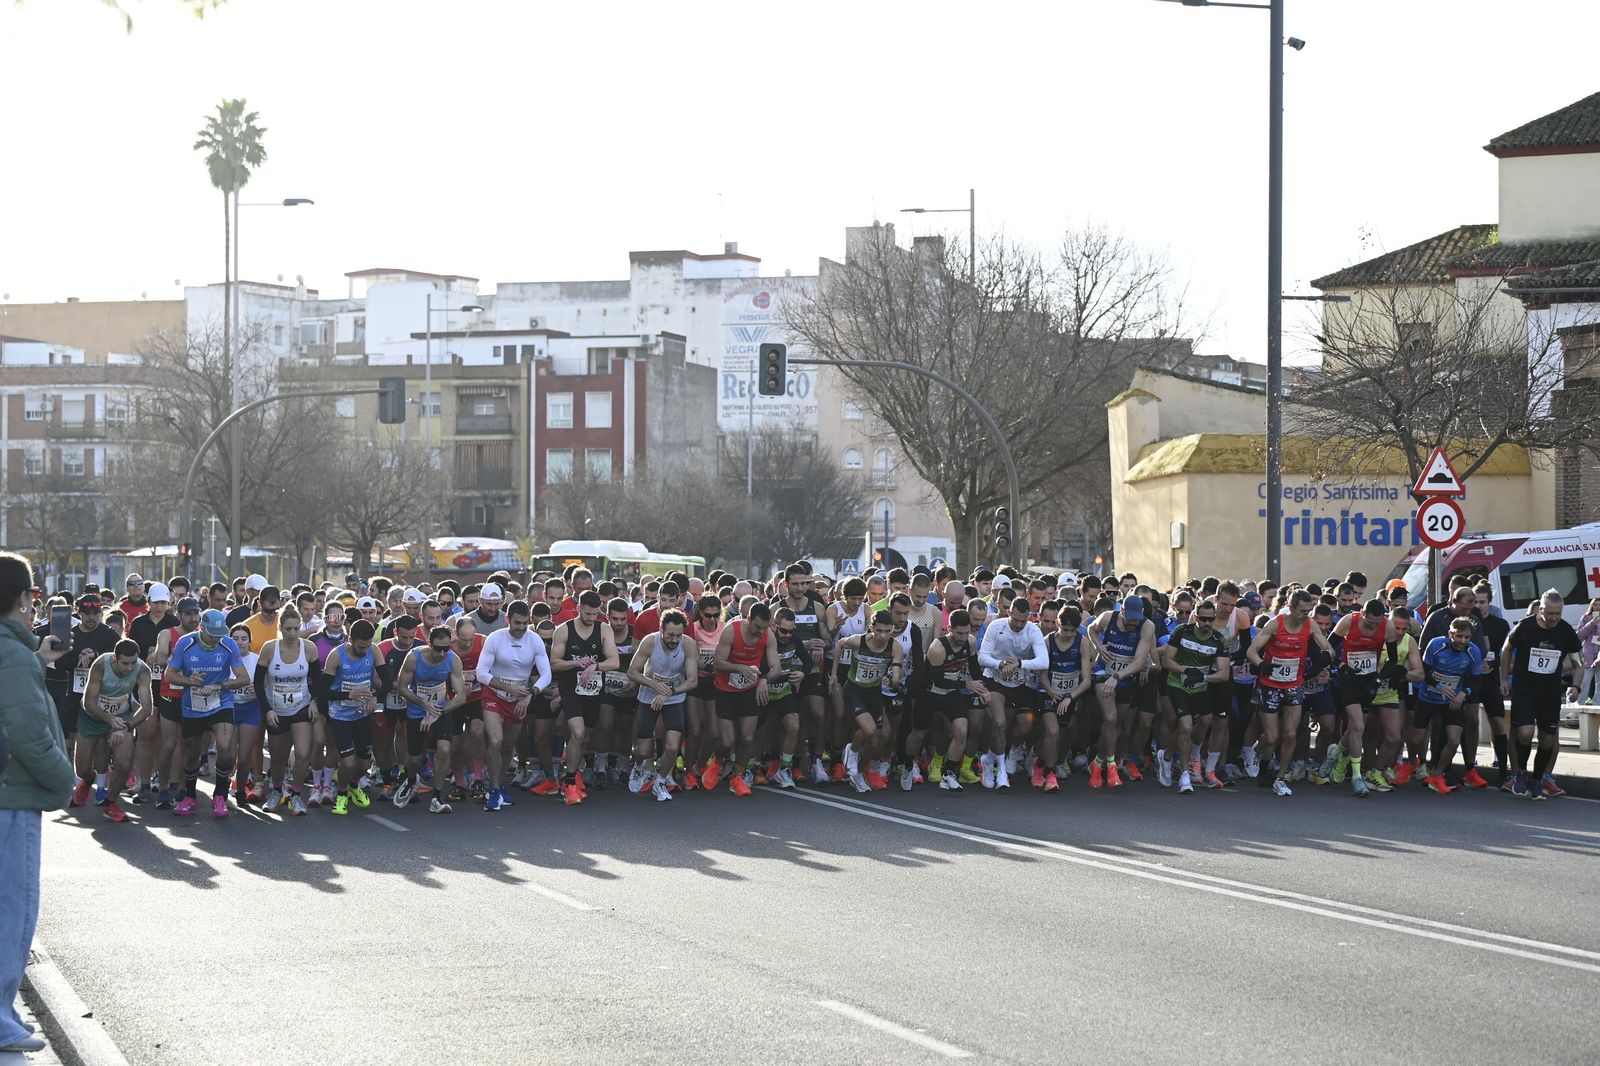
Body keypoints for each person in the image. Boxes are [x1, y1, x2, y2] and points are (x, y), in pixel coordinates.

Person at [0, 552, 75, 1055]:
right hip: (12, 796)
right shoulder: (11, 653)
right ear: (26, 599)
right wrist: (65, 779)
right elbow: (28, 734)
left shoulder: (15, 650)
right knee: (13, 908)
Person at [1500, 590, 1582, 799]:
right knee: (1525, 733)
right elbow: (1507, 649)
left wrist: (1576, 686)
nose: (1554, 618)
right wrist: (1503, 679)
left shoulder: (1565, 631)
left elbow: (1578, 663)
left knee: (1547, 740)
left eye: (1558, 613)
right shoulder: (1526, 626)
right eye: (1550, 613)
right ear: (1541, 609)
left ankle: (1536, 780)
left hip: (1550, 693)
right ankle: (1520, 773)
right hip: (1525, 689)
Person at [76, 639, 154, 822]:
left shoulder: (142, 670)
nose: (129, 668)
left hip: (121, 718)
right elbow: (89, 702)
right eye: (125, 663)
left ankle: (110, 803)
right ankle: (89, 779)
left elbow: (147, 708)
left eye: (133, 662)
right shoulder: (101, 664)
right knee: (82, 769)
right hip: (92, 718)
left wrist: (127, 726)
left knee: (124, 762)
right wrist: (109, 719)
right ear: (115, 659)